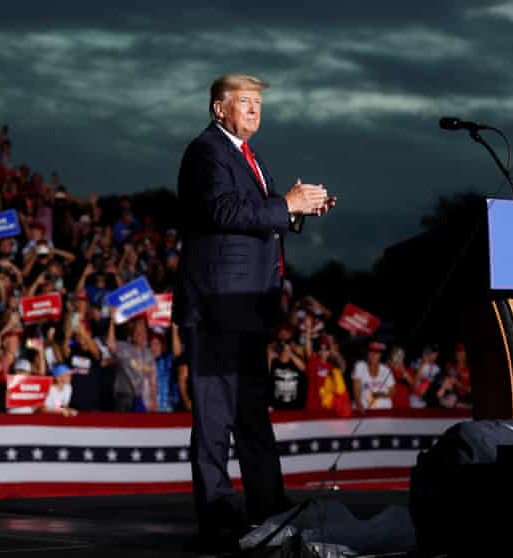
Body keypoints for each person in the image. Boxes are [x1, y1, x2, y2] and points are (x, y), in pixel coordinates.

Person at [173, 73, 336, 549]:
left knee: (251, 416)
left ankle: (270, 508)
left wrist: (298, 210)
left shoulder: (250, 156)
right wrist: (284, 203)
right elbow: (222, 212)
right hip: (217, 306)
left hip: (248, 307)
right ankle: (218, 514)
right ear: (219, 109)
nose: (254, 111)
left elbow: (258, 212)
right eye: (244, 103)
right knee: (215, 418)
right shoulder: (206, 152)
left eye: (258, 104)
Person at [352, 341, 395, 412]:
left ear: (380, 355)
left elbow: (393, 391)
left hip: (384, 411)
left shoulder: (385, 370)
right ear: (367, 353)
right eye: (371, 351)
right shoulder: (360, 366)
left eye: (377, 352)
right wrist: (359, 405)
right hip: (364, 410)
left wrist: (380, 394)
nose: (374, 354)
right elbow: (356, 391)